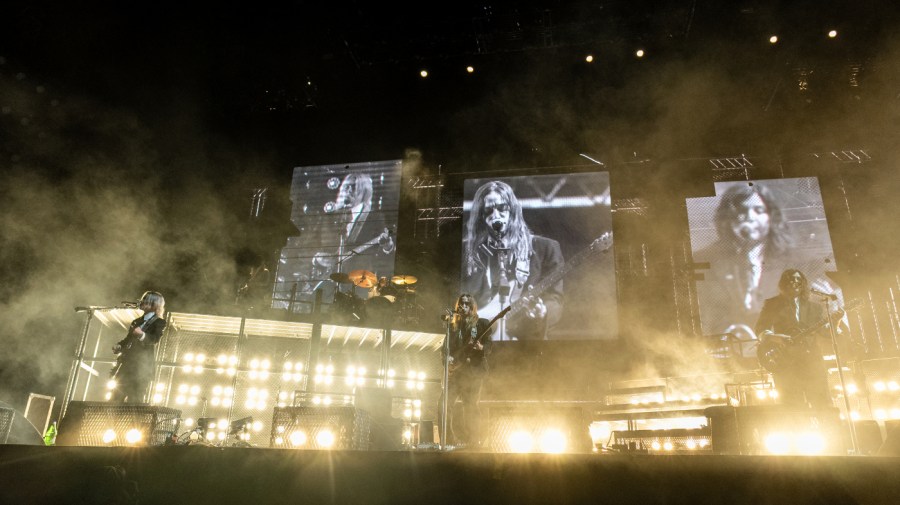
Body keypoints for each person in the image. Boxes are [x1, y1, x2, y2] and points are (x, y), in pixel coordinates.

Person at [461, 180, 564, 340]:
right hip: (479, 343)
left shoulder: (545, 248)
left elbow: (555, 300)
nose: (495, 215)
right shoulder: (468, 252)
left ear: (513, 210)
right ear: (481, 216)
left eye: (502, 208)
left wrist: (543, 311)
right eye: (488, 210)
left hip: (526, 343)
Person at [755, 269, 841, 409]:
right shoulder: (772, 304)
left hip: (812, 363)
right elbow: (760, 329)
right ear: (784, 283)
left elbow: (826, 333)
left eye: (797, 279)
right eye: (790, 279)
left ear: (802, 284)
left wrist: (836, 321)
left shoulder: (815, 308)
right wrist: (777, 338)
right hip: (785, 362)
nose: (794, 282)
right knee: (793, 408)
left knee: (823, 404)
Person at [312, 173, 395, 298]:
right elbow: (312, 242)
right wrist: (317, 258)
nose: (349, 190)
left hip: (359, 280)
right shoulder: (332, 216)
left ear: (364, 190)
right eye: (346, 186)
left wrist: (387, 245)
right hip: (332, 277)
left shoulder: (375, 217)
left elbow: (385, 255)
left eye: (354, 186)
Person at [441, 293, 495, 448]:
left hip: (473, 372)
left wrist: (481, 347)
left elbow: (489, 346)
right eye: (461, 304)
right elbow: (445, 348)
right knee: (443, 404)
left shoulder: (481, 324)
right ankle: (448, 440)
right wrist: (447, 360)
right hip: (455, 372)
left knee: (470, 405)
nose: (463, 307)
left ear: (472, 307)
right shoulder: (452, 325)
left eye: (466, 304)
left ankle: (474, 441)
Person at [110, 291, 167, 403]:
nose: (142, 302)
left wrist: (142, 334)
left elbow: (154, 339)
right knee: (115, 398)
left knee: (135, 401)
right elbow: (128, 339)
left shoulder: (159, 322)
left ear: (153, 304)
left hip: (142, 368)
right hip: (127, 365)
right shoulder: (136, 321)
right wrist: (119, 346)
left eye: (145, 300)